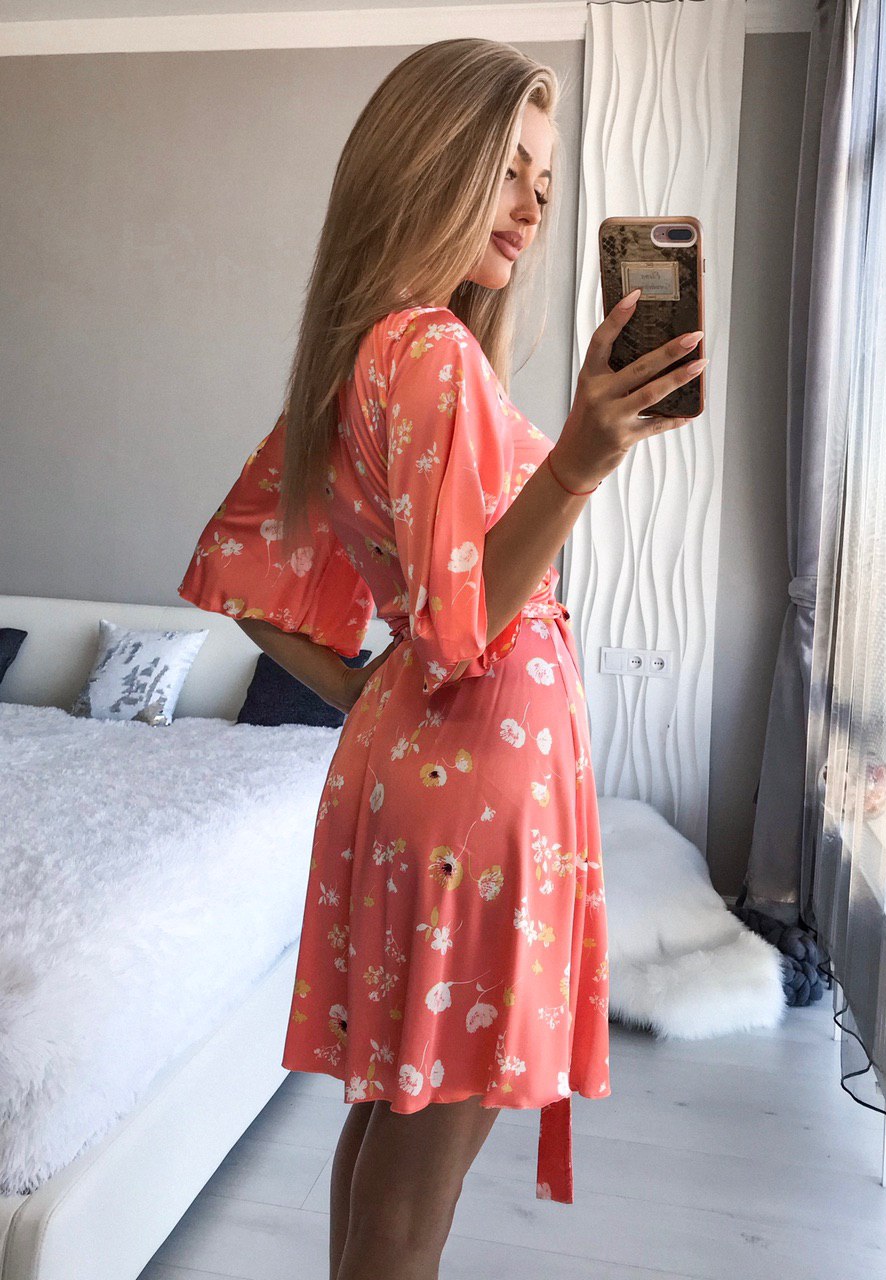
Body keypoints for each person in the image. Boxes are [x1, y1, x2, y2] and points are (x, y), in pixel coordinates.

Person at [178, 36, 705, 1280]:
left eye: (545, 175)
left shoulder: (363, 352)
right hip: (473, 790)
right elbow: (463, 625)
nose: (534, 200)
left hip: (409, 774)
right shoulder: (430, 354)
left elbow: (241, 564)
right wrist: (579, 454)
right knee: (418, 1176)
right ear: (432, 164)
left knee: (390, 1126)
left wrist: (369, 688)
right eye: (507, 166)